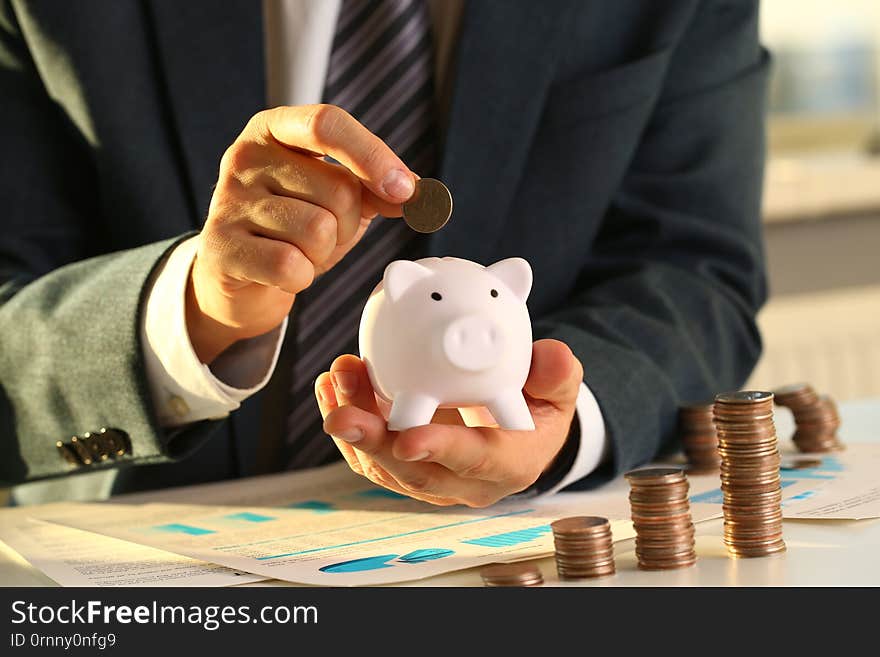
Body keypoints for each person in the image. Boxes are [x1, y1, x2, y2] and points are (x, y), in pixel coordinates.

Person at [0, 0, 769, 506]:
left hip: (502, 559)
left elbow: (695, 265)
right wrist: (190, 308)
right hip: (144, 568)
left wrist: (555, 422)